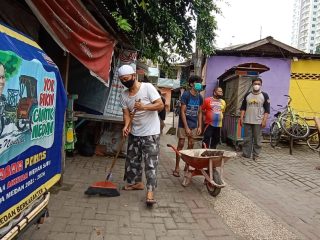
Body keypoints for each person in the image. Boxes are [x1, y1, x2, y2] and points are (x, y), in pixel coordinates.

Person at [118, 64, 164, 205]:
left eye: (126, 78)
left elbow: (160, 105)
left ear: (133, 76)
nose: (125, 81)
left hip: (151, 133)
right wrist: (126, 126)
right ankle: (136, 183)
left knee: (150, 163)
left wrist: (143, 106)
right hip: (135, 132)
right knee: (132, 161)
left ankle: (150, 192)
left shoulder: (147, 88)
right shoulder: (124, 95)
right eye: (122, 80)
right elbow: (126, 114)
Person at [173, 75, 203, 177]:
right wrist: (186, 127)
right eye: (197, 82)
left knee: (191, 145)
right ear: (191, 84)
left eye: (200, 82)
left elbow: (199, 112)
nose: (199, 84)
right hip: (183, 124)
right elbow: (182, 112)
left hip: (194, 125)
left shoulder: (200, 97)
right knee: (181, 144)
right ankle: (177, 167)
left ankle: (187, 164)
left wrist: (199, 126)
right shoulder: (186, 95)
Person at [240, 77, 270, 160]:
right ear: (252, 84)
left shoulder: (264, 95)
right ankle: (246, 154)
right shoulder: (247, 95)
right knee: (247, 138)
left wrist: (264, 120)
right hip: (247, 120)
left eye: (258, 84)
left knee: (257, 139)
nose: (257, 85)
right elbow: (243, 107)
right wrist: (241, 118)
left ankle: (256, 155)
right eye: (255, 84)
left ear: (261, 85)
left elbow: (267, 110)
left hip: (258, 121)